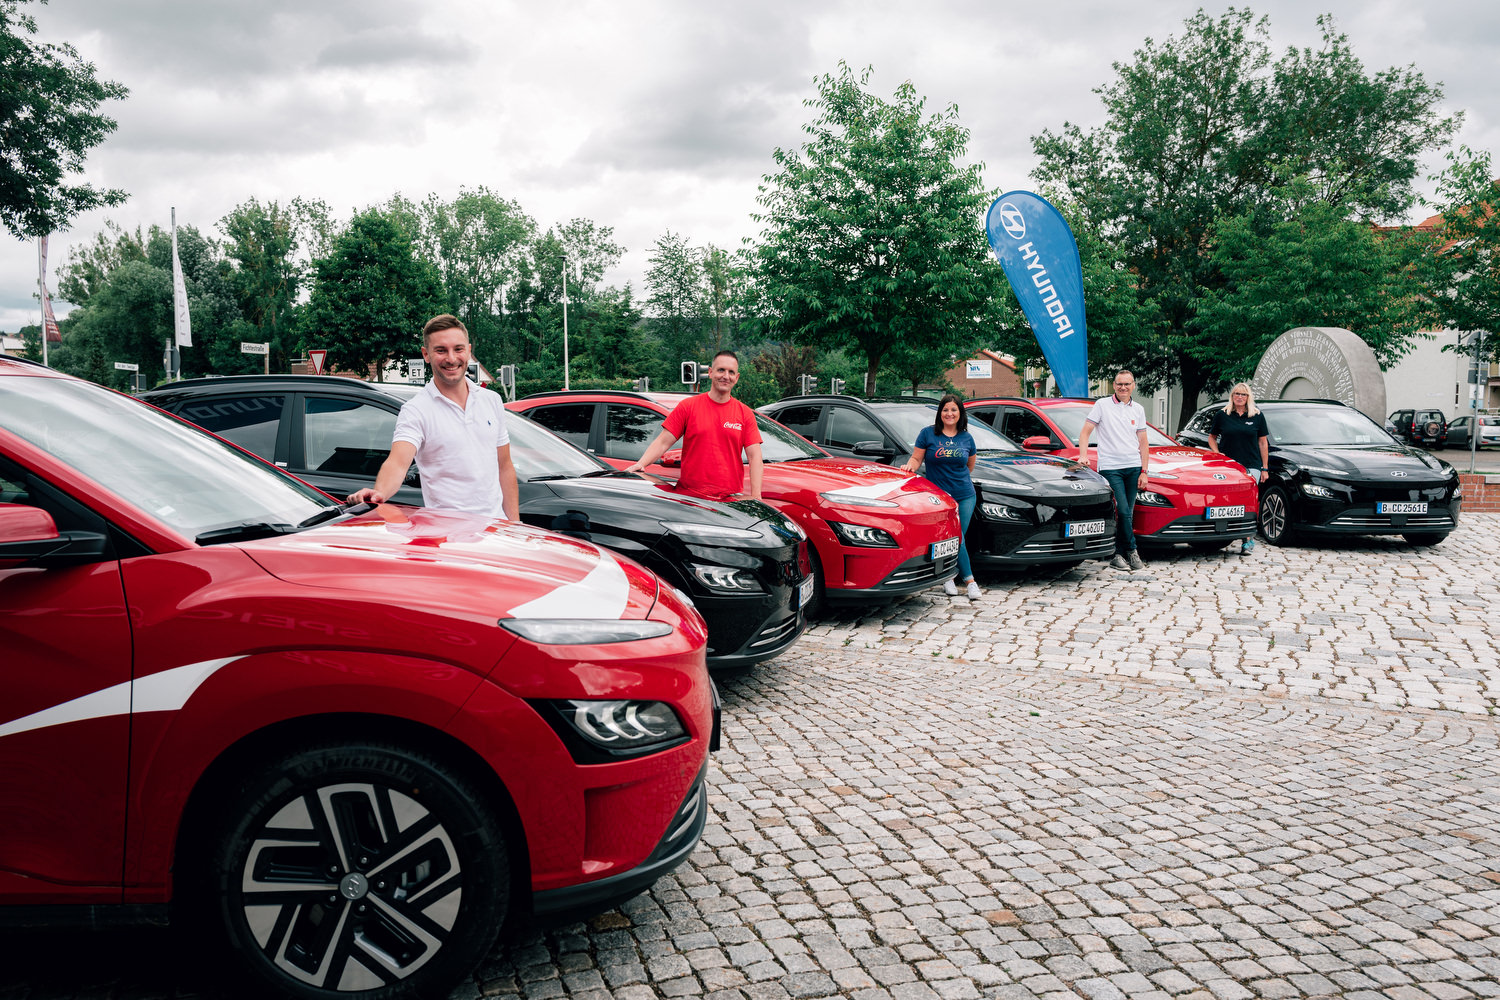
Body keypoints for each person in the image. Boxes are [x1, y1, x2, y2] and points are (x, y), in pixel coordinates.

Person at [347, 314, 519, 519]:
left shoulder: (492, 400)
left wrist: (514, 525)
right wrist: (380, 493)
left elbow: (505, 467)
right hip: (449, 537)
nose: (451, 358)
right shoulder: (416, 410)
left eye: (458, 349)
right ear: (426, 354)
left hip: (495, 532)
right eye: (441, 350)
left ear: (469, 350)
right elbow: (398, 462)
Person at [625, 350, 763, 500]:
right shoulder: (688, 407)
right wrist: (641, 464)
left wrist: (756, 495)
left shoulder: (744, 413)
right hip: (690, 499)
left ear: (736, 378)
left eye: (731, 372)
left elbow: (754, 457)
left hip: (729, 502)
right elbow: (663, 442)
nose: (725, 376)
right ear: (710, 372)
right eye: (721, 370)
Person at [903, 394, 981, 600]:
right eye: (945, 410)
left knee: (957, 537)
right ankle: (953, 578)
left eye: (954, 410)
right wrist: (910, 467)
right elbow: (916, 458)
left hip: (964, 495)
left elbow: (969, 466)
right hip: (938, 498)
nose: (949, 413)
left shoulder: (967, 438)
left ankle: (964, 580)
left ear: (960, 413)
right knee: (947, 538)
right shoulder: (928, 434)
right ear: (940, 413)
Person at [1076, 371, 1149, 571]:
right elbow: (1085, 432)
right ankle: (1132, 551)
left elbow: (1143, 442)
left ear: (1133, 385)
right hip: (1111, 466)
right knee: (1123, 510)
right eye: (1119, 384)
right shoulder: (1102, 405)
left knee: (1128, 512)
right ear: (1113, 385)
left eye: (1127, 384)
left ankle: (1118, 555)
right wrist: (1083, 455)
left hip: (1133, 466)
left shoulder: (1138, 409)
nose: (1123, 388)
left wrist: (1144, 470)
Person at [1208, 382, 1270, 555]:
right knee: (1228, 501)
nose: (1240, 397)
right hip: (1229, 466)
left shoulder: (1257, 415)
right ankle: (1221, 534)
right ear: (1232, 396)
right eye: (1237, 394)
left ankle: (1248, 540)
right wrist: (1217, 454)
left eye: (1243, 394)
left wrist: (1264, 468)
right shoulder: (1223, 415)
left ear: (1248, 397)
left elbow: (1263, 442)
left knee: (1248, 501)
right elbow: (1212, 438)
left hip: (1251, 465)